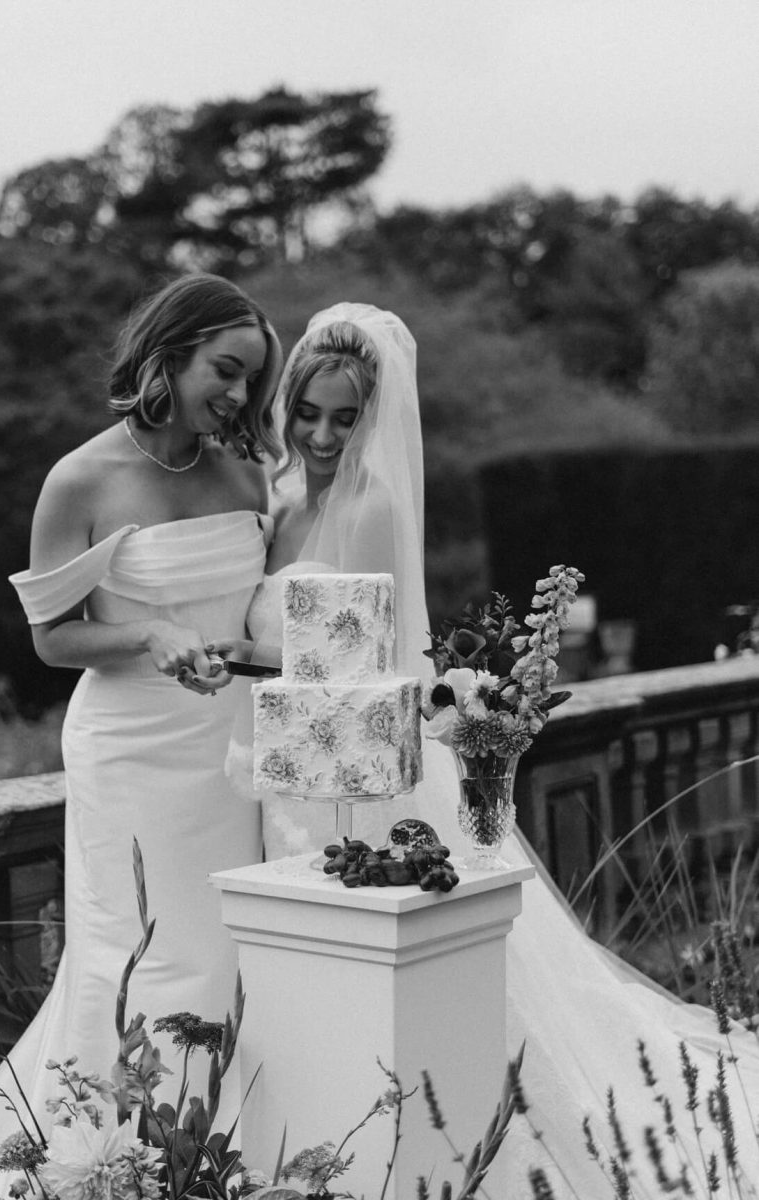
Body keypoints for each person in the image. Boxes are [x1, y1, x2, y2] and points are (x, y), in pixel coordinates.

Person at [225, 302, 759, 1196]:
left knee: (402, 970)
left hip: (354, 775)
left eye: (344, 417)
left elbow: (356, 663)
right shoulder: (280, 504)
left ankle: (439, 1137)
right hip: (281, 765)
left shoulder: (368, 506)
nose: (319, 434)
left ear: (371, 418)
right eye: (306, 412)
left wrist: (240, 660)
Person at [0, 274, 283, 1199]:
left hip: (232, 748)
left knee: (232, 947)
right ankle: (118, 1164)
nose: (236, 397)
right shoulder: (81, 477)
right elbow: (50, 635)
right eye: (223, 372)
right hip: (133, 749)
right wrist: (149, 633)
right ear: (169, 353)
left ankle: (225, 1158)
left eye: (250, 383)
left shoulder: (247, 470)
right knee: (144, 948)